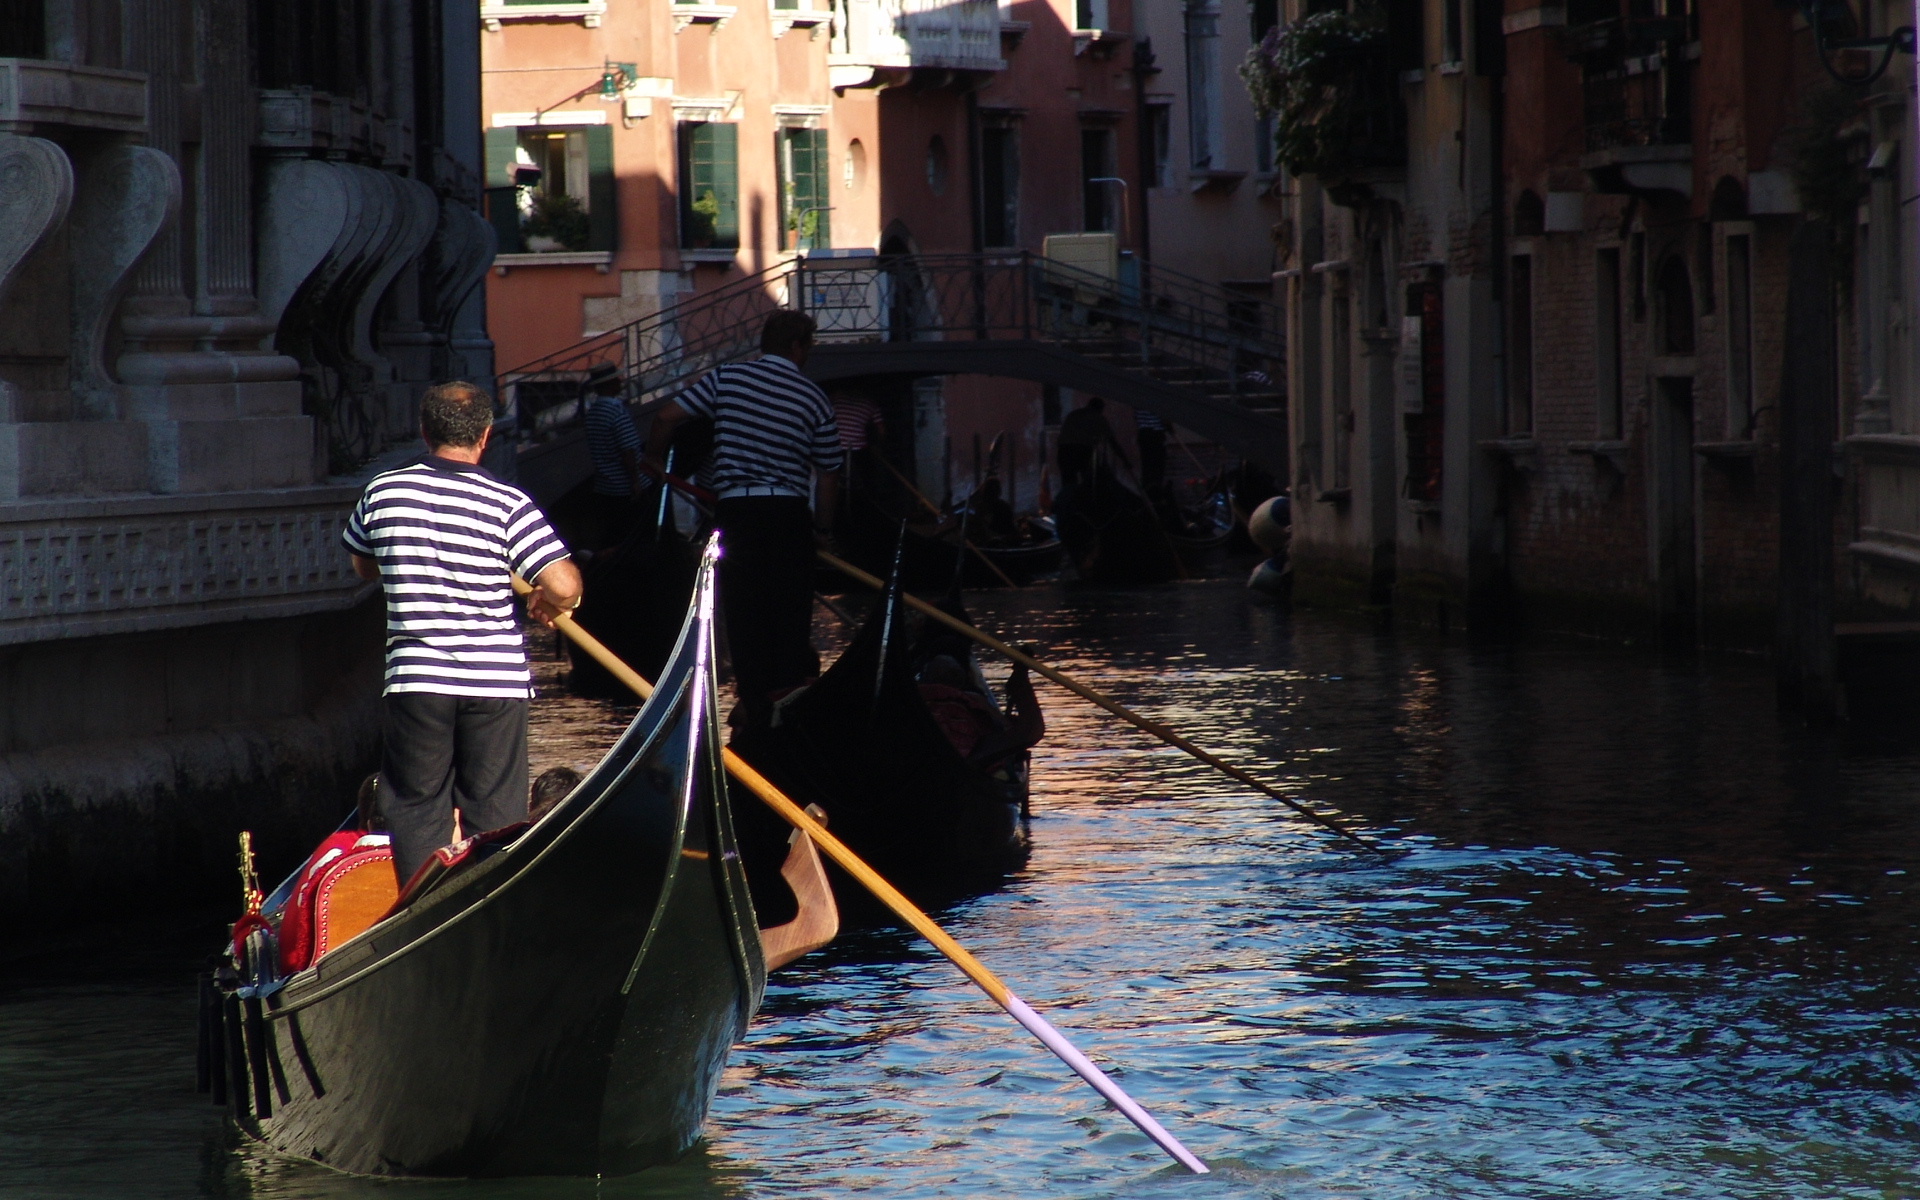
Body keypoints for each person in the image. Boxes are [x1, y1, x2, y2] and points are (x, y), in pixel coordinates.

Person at [343, 380, 584, 884]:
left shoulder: (382, 491)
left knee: (416, 806)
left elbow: (364, 567)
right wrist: (549, 598)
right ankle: (488, 904)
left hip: (419, 679)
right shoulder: (506, 502)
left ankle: (425, 911)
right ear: (486, 435)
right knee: (494, 807)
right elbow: (563, 583)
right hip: (495, 681)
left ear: (424, 431)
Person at [645, 311, 842, 725]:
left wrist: (654, 460)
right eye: (809, 346)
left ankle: (753, 710)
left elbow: (664, 417)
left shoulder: (727, 378)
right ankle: (784, 713)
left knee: (745, 620)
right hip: (789, 516)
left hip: (736, 515)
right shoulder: (813, 397)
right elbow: (827, 475)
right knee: (788, 624)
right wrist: (822, 531)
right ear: (797, 346)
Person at [581, 362, 645, 551]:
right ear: (609, 384)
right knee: (630, 538)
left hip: (604, 486)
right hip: (623, 489)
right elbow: (627, 451)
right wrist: (635, 482)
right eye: (616, 379)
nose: (620, 382)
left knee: (612, 537)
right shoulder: (616, 410)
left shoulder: (593, 412)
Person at [1055, 396, 1126, 490]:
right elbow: (1113, 442)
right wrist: (1125, 460)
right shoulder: (1098, 418)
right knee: (1088, 483)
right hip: (1082, 451)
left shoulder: (1074, 414)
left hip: (1064, 451)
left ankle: (1069, 502)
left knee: (1068, 484)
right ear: (1100, 408)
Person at [1135, 408, 1168, 491]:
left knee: (1147, 464)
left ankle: (1147, 489)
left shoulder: (1138, 401)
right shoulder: (1157, 401)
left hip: (1144, 434)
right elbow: (1164, 419)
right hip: (1156, 434)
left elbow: (1135, 416)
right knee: (1158, 465)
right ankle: (1155, 489)